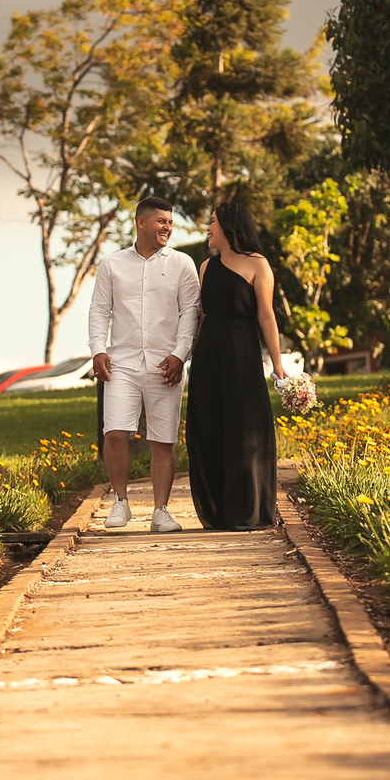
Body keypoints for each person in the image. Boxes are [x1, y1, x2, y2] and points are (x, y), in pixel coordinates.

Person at [88, 196, 201, 533]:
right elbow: (99, 310)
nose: (168, 227)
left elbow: (191, 312)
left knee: (163, 439)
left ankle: (161, 511)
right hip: (121, 363)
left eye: (170, 222)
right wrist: (98, 349)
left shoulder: (182, 263)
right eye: (161, 221)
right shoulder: (112, 264)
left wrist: (180, 354)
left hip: (166, 364)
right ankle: (120, 502)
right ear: (141, 222)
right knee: (114, 433)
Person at [186, 199, 285, 530]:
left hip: (241, 352)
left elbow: (266, 315)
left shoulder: (258, 264)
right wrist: (187, 355)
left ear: (229, 226)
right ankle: (218, 511)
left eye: (212, 221)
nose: (207, 228)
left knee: (243, 427)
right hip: (208, 355)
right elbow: (201, 316)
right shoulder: (206, 266)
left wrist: (277, 363)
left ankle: (247, 510)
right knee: (209, 425)